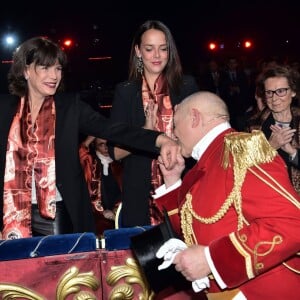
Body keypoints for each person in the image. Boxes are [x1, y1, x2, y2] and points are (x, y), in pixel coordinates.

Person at [0, 36, 180, 240]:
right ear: (25, 70)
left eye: (58, 69)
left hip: (56, 213)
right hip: (9, 214)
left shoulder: (70, 107)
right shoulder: (5, 109)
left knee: (59, 271)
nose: (54, 76)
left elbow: (114, 129)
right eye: (45, 68)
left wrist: (158, 139)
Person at [151, 91, 300, 299]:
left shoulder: (243, 149)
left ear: (195, 117)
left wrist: (211, 259)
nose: (173, 134)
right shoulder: (203, 164)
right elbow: (195, 229)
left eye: (175, 125)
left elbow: (291, 223)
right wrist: (172, 181)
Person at [108, 20, 199, 228]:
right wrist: (146, 133)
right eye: (149, 49)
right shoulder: (126, 91)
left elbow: (200, 141)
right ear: (138, 51)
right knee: (145, 258)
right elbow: (115, 152)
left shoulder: (186, 86)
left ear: (170, 51)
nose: (157, 56)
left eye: (163, 49)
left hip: (183, 186)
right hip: (139, 192)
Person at [247, 64, 300, 194]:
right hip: (268, 194)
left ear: (293, 92)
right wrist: (271, 146)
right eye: (269, 92)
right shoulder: (254, 125)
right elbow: (245, 166)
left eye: (281, 91)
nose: (274, 98)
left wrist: (292, 152)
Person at [79, 136, 122, 225]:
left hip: (117, 216)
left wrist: (115, 213)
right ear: (94, 146)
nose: (106, 148)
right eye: (101, 145)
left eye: (108, 144)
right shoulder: (91, 164)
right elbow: (81, 152)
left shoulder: (119, 165)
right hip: (95, 217)